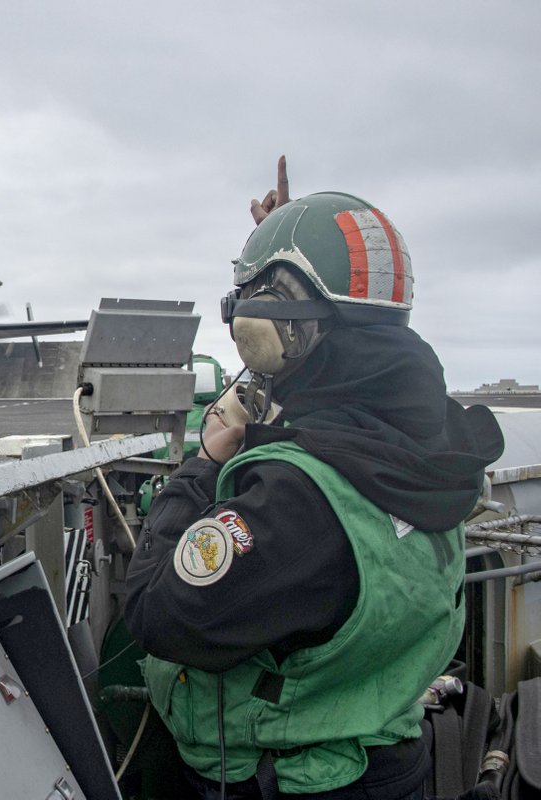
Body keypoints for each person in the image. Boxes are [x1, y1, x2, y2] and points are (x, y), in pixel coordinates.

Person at [123, 158, 504, 799]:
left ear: (279, 332)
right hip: (386, 760)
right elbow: (358, 341)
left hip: (286, 780)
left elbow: (155, 613)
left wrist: (204, 466)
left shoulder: (295, 500)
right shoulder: (430, 434)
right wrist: (287, 250)